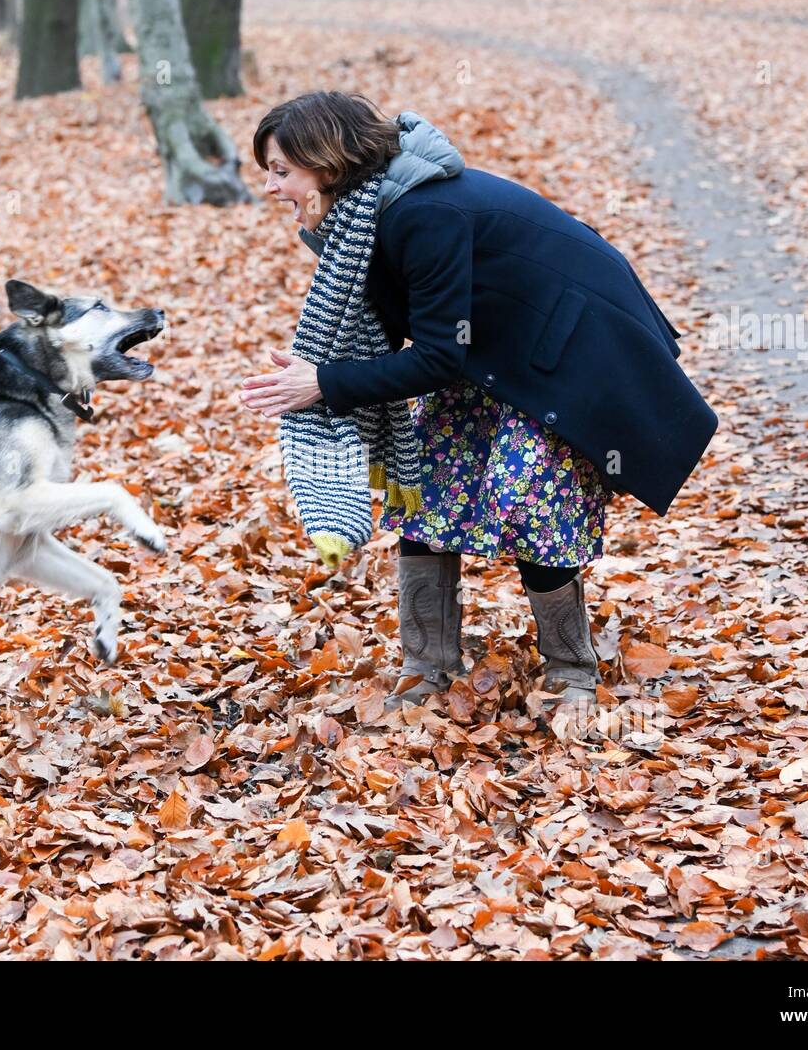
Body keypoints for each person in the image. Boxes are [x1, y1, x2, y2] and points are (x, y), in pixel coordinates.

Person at [240, 91, 717, 738]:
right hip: (490, 348)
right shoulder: (362, 218)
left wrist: (325, 383)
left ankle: (572, 673)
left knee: (528, 499)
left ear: (328, 162)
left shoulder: (419, 214)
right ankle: (426, 668)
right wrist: (323, 370)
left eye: (281, 171)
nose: (271, 188)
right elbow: (408, 326)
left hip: (567, 349)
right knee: (426, 489)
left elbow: (435, 355)